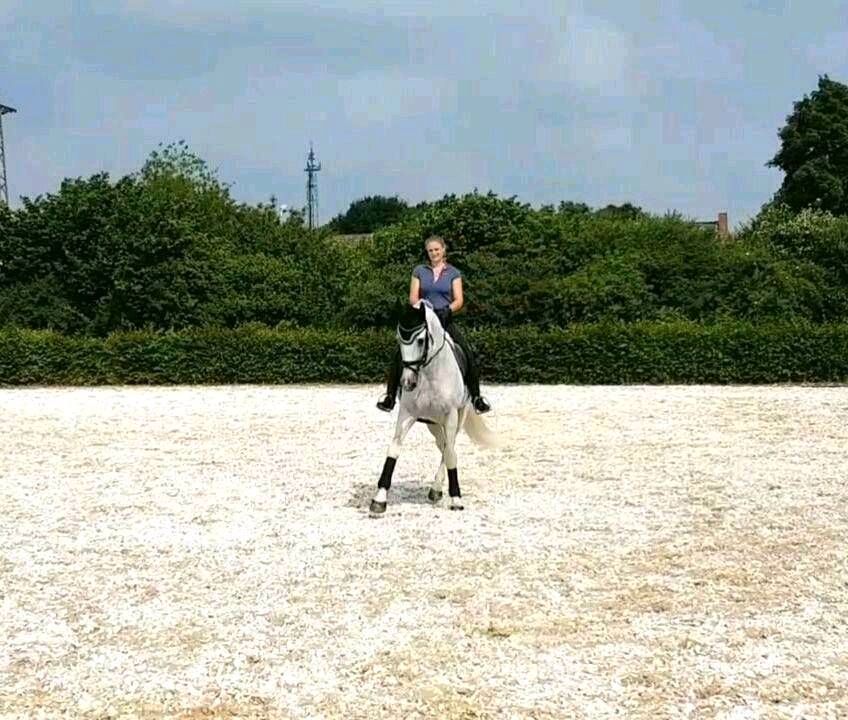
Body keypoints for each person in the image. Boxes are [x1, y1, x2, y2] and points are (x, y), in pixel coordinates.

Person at [376, 235, 491, 414]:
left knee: (466, 351)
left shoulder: (453, 273)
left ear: (443, 250)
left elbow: (459, 299)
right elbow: (413, 296)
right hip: (423, 318)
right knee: (400, 352)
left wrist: (448, 310)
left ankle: (476, 397)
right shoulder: (419, 271)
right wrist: (422, 309)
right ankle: (390, 396)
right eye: (430, 251)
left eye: (437, 249)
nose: (434, 253)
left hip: (444, 319)